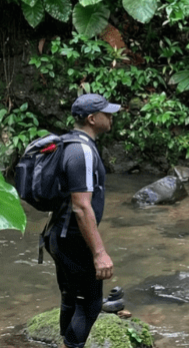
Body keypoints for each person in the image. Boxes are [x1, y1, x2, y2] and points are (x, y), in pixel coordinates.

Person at [44, 93, 120, 348]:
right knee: (90, 304)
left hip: (57, 234)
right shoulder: (83, 150)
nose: (111, 117)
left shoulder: (68, 143)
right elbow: (81, 205)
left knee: (70, 298)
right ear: (91, 118)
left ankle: (66, 343)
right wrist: (99, 253)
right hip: (73, 238)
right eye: (106, 113)